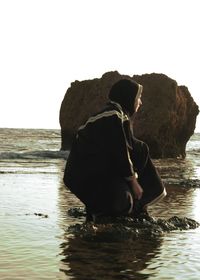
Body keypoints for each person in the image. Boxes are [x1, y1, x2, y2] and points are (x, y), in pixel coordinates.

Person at [63, 79, 166, 221]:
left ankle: (124, 207)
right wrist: (133, 182)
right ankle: (131, 205)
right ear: (128, 97)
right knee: (124, 203)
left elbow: (127, 148)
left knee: (141, 148)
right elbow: (119, 150)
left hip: (89, 174)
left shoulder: (113, 114)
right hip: (87, 176)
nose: (140, 102)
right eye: (138, 98)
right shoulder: (112, 115)